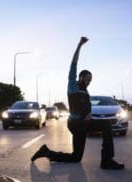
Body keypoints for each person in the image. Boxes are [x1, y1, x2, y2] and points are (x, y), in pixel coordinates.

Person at [31, 37, 124, 170]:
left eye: (90, 80)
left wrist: (89, 114)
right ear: (80, 77)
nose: (88, 81)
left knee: (76, 157)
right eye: (87, 78)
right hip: (76, 123)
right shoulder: (73, 85)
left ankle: (46, 152)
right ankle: (107, 161)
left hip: (82, 124)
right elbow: (73, 64)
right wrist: (79, 45)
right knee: (106, 124)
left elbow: (85, 105)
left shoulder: (85, 91)